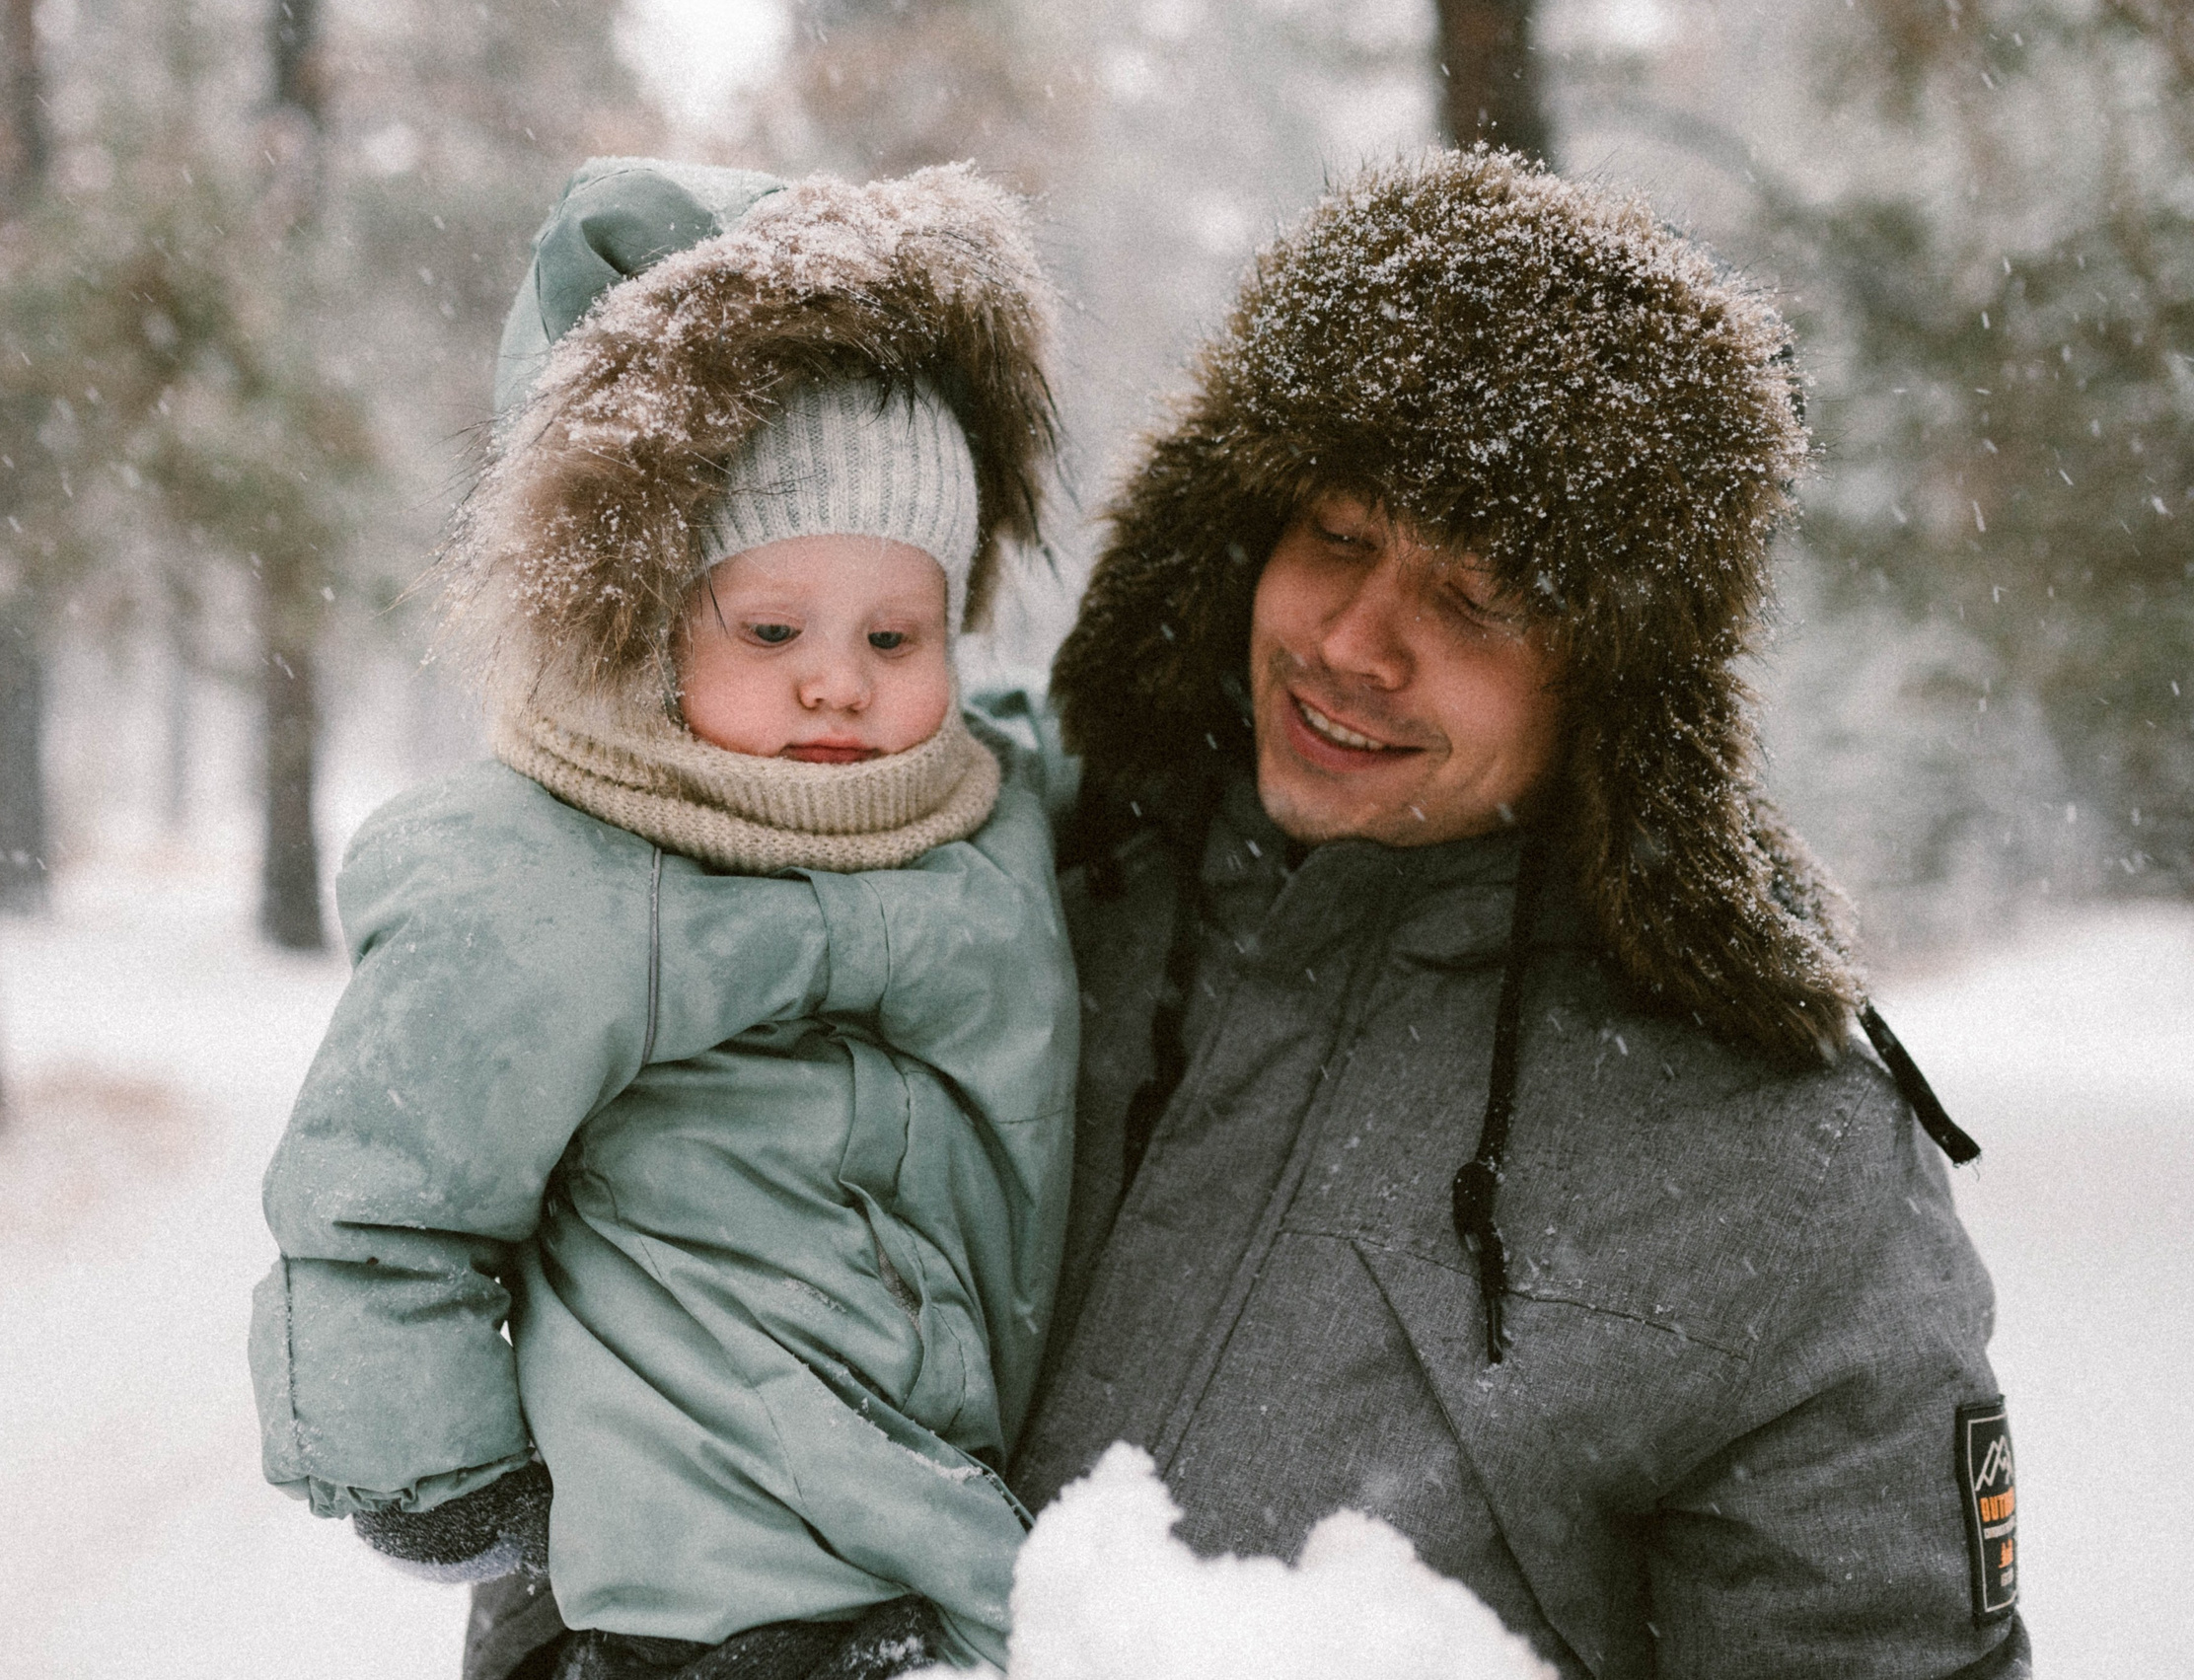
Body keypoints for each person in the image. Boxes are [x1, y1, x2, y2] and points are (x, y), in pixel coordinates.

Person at [1005, 150, 2029, 1679]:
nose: (1354, 643)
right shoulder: (1013, 883)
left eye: (1477, 599)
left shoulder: (1776, 1170)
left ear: (1613, 686)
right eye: (1336, 536)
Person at [248, 158, 1076, 1680]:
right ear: (644, 624)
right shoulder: (559, 869)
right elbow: (381, 1196)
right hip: (692, 1585)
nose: (838, 679)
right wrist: (451, 1480)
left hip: (941, 1542)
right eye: (771, 630)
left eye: (896, 634)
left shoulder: (995, 809)